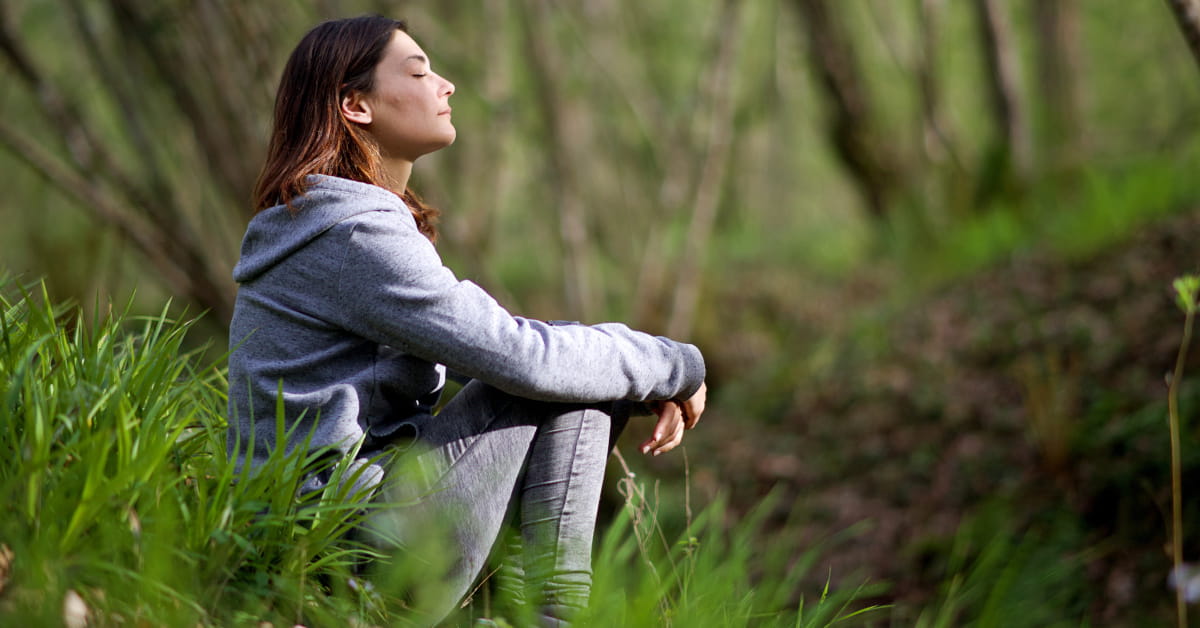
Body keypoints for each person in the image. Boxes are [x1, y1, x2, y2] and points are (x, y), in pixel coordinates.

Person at [226, 14, 707, 626]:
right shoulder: (354, 237)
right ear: (356, 106)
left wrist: (636, 379)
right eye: (418, 73)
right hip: (349, 556)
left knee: (581, 373)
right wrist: (675, 365)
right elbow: (522, 359)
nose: (446, 84)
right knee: (556, 377)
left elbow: (507, 356)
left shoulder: (323, 225)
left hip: (323, 541)